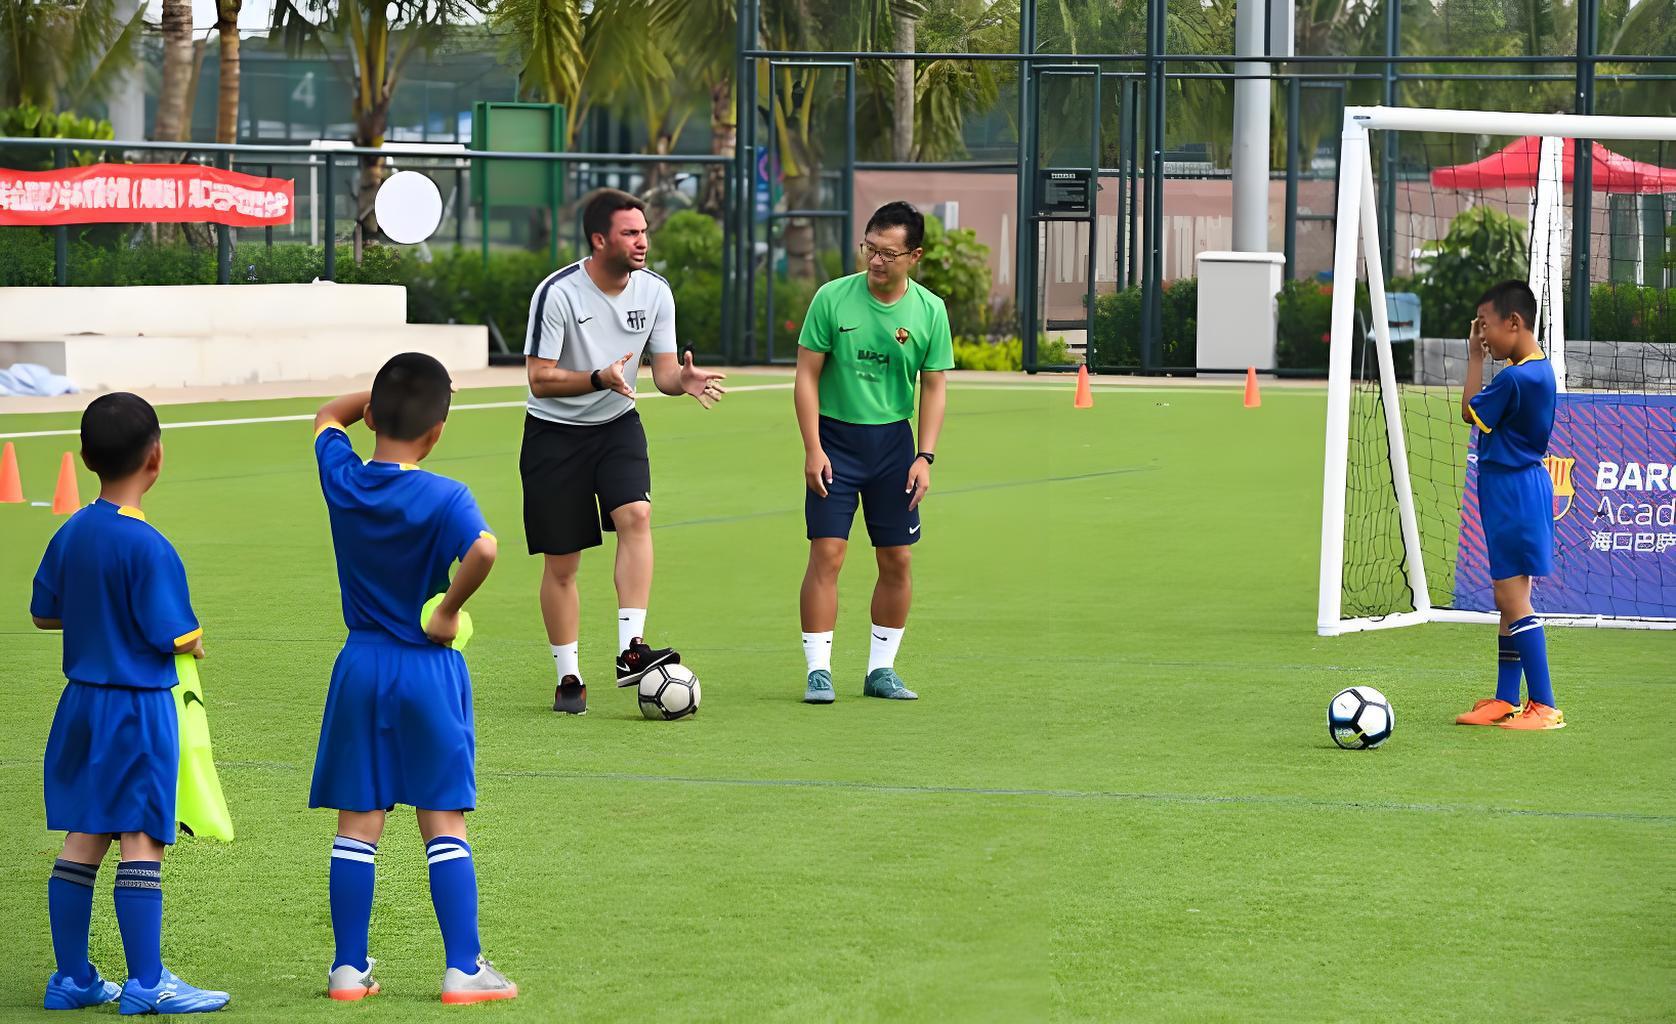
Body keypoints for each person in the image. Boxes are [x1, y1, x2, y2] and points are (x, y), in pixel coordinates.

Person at [309, 354, 517, 1004]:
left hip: (362, 663)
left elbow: (324, 417)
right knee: (443, 820)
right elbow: (484, 548)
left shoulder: (343, 478)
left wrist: (368, 401)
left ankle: (348, 970)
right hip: (427, 669)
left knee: (357, 824)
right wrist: (448, 609)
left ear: (372, 414)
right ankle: (462, 967)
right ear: (439, 430)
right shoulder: (446, 496)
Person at [31, 392, 231, 1013]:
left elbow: (45, 614)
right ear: (156, 456)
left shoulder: (71, 531)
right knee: (143, 834)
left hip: (81, 705)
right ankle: (147, 983)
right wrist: (195, 647)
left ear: (86, 457)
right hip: (137, 708)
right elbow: (179, 635)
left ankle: (72, 979)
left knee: (84, 835)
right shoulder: (148, 545)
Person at [522, 188, 727, 715]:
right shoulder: (558, 293)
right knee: (562, 563)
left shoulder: (656, 291)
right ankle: (568, 677)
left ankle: (630, 650)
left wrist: (684, 378)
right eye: (630, 233)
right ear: (599, 239)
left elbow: (661, 375)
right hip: (553, 433)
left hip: (617, 424)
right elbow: (540, 380)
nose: (642, 242)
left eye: (644, 232)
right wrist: (598, 377)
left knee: (637, 514)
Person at [795, 201, 953, 705]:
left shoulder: (930, 311)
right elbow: (806, 375)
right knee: (828, 552)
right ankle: (819, 671)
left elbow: (934, 387)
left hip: (893, 447)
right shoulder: (831, 299)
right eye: (870, 248)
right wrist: (813, 448)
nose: (876, 261)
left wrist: (923, 457)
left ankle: (880, 671)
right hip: (835, 442)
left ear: (915, 256)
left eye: (889, 252)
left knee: (897, 559)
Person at [1454, 280, 1564, 731]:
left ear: (1514, 323)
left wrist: (1475, 358)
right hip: (1511, 488)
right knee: (1509, 598)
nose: (1483, 336)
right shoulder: (1534, 369)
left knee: (1512, 597)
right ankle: (1505, 698)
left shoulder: (1518, 377)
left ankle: (1544, 704)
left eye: (1487, 327)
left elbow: (1468, 412)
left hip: (1514, 491)